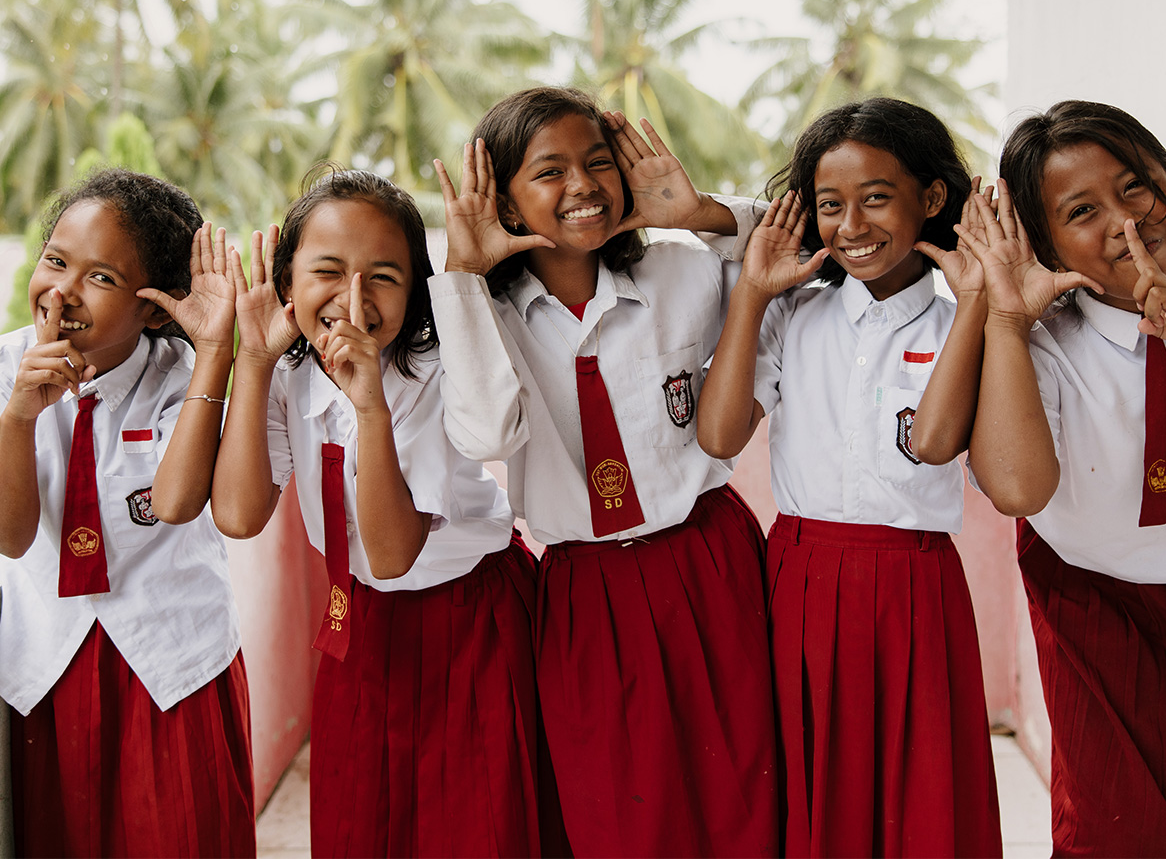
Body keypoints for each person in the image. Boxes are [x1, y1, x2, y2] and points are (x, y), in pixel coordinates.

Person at [429, 85, 777, 858]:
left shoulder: (683, 274)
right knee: (618, 814)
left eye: (596, 163)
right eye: (548, 172)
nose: (582, 186)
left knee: (741, 797)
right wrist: (459, 275)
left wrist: (697, 215)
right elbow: (485, 429)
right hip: (588, 588)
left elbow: (789, 255)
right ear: (506, 202)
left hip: (706, 559)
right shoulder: (482, 312)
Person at [696, 97, 1002, 857]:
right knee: (811, 792)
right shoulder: (792, 315)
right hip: (800, 579)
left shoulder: (964, 324)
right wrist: (753, 292)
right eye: (831, 205)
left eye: (876, 198)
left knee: (919, 799)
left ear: (932, 198)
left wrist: (975, 306)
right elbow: (720, 433)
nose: (853, 227)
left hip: (916, 586)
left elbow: (935, 445)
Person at [210, 166, 544, 858]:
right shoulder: (287, 374)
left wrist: (368, 407)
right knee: (361, 819)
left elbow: (394, 554)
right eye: (327, 271)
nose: (353, 299)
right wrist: (252, 358)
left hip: (467, 617)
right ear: (286, 281)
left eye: (383, 276)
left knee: (476, 823)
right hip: (357, 622)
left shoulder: (432, 372)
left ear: (416, 289)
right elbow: (239, 516)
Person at [960, 99, 1166, 856]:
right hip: (1103, 610)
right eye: (1082, 211)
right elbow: (1019, 491)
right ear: (1045, 240)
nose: (1127, 221)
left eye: (1138, 188)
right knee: (1116, 830)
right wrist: (1006, 320)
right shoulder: (1040, 346)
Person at [0, 169, 254, 858]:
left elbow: (174, 503)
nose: (62, 292)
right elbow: (11, 537)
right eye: (56, 261)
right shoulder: (5, 372)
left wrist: (211, 354)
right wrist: (19, 417)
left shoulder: (180, 377)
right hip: (43, 672)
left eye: (102, 279)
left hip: (171, 669)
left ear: (152, 307)